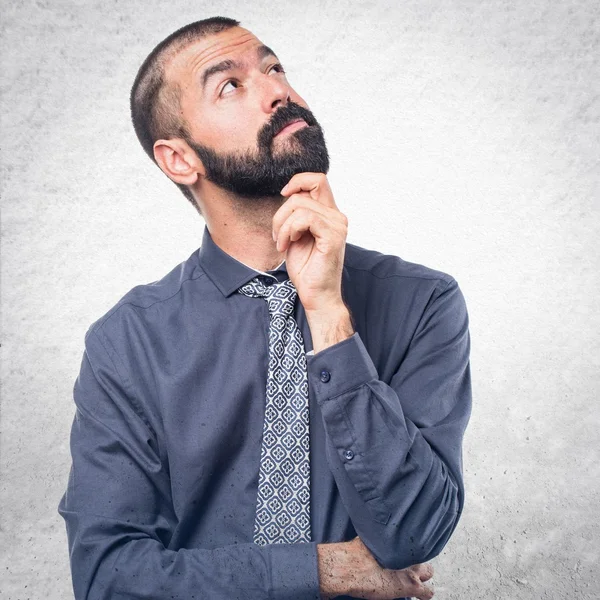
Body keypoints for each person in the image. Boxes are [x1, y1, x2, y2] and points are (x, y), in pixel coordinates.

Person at [57, 16, 472, 600]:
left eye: (273, 67)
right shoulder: (127, 344)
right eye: (230, 85)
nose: (277, 89)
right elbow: (109, 579)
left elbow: (415, 533)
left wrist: (328, 311)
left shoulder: (424, 301)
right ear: (180, 159)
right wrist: (325, 570)